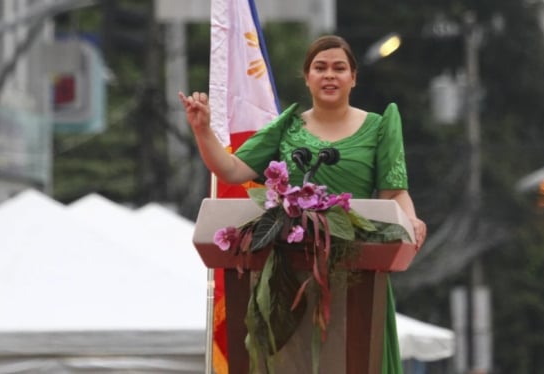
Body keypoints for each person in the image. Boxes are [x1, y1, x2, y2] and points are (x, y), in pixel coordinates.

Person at [180, 34, 427, 374]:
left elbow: (394, 194)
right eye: (320, 67)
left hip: (358, 277)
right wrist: (202, 130)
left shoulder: (379, 127)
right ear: (307, 77)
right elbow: (232, 169)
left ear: (353, 78)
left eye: (339, 68)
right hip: (287, 274)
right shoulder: (288, 126)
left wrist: (410, 220)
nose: (329, 75)